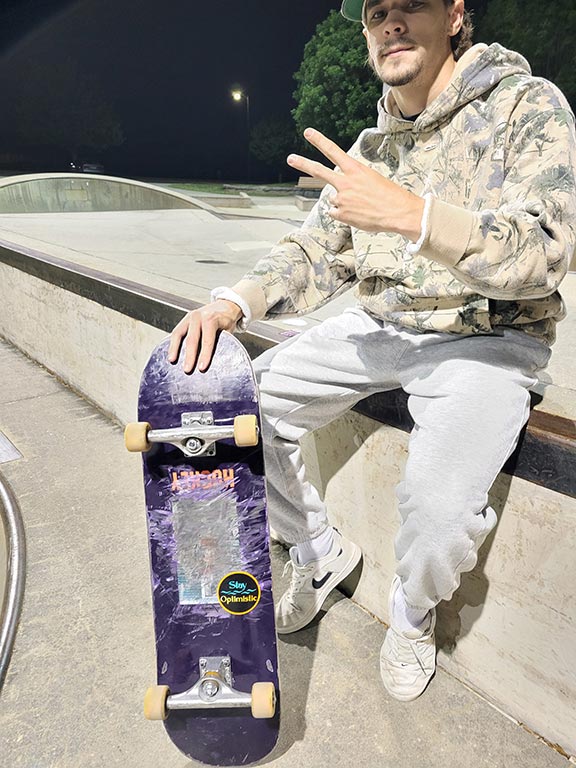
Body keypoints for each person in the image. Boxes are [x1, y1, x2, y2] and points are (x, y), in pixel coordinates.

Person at [169, 0, 576, 701]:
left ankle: (411, 617)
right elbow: (314, 251)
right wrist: (234, 301)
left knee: (439, 509)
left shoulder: (526, 106)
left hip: (490, 340)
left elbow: (545, 249)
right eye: (376, 12)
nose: (390, 22)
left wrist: (415, 218)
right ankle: (317, 552)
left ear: (454, 16)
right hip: (385, 328)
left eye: (409, 5)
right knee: (244, 400)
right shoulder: (370, 149)